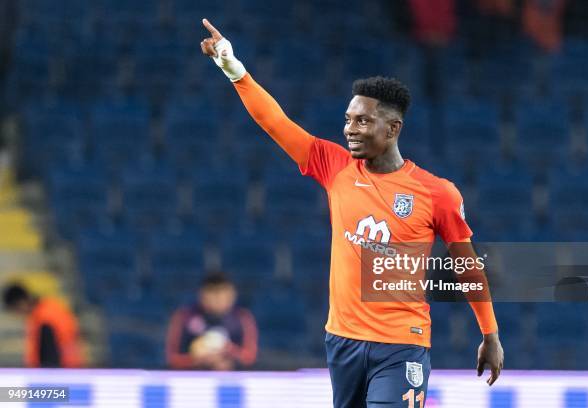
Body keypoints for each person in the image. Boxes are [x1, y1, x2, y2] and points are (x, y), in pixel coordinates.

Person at [200, 19, 503, 407]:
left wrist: (490, 334)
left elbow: (467, 266)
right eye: (348, 119)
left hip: (401, 344)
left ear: (393, 128)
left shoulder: (436, 193)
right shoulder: (336, 167)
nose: (350, 129)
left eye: (362, 121)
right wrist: (232, 67)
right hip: (341, 340)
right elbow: (274, 122)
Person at [165, 273, 257, 370]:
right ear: (202, 295)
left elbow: (249, 358)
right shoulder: (184, 317)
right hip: (193, 380)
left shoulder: (242, 317)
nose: (218, 299)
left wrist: (227, 350)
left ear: (232, 295)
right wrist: (198, 360)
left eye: (223, 293)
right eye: (213, 293)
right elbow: (172, 358)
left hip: (233, 379)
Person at [2, 283, 84, 368]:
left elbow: (50, 354)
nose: (18, 315)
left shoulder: (44, 318)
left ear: (21, 302)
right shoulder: (50, 308)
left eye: (16, 310)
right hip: (70, 369)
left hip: (59, 372)